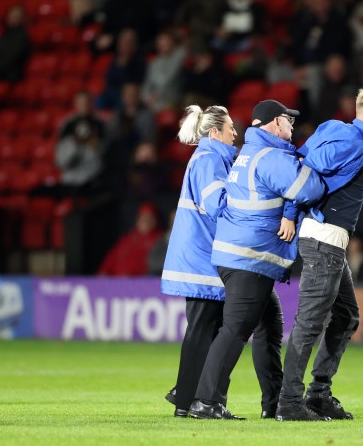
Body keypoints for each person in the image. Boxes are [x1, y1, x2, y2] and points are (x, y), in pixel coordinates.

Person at [189, 100, 326, 419]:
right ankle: (206, 401)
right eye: (289, 121)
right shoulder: (271, 157)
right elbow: (311, 188)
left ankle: (273, 403)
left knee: (268, 325)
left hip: (238, 254)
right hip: (249, 257)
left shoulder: (250, 153)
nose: (292, 127)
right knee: (236, 329)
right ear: (276, 123)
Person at [277, 86, 363, 421]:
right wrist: (290, 210)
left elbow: (301, 157)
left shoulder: (333, 128)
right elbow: (306, 171)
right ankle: (289, 402)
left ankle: (317, 395)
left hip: (328, 242)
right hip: (325, 240)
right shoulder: (353, 141)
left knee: (346, 316)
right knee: (310, 323)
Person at [161, 105, 285, 419]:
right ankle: (188, 399)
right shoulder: (210, 160)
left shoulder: (211, 159)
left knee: (207, 329)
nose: (235, 133)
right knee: (204, 329)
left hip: (205, 255)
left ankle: (187, 397)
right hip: (203, 258)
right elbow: (217, 205)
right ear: (215, 132)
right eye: (230, 127)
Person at [97, 202, 165, 276]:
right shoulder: (127, 239)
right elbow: (110, 260)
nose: (146, 221)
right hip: (116, 281)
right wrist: (103, 273)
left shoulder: (160, 239)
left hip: (140, 282)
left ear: (156, 220)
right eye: (143, 217)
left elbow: (155, 264)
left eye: (150, 218)